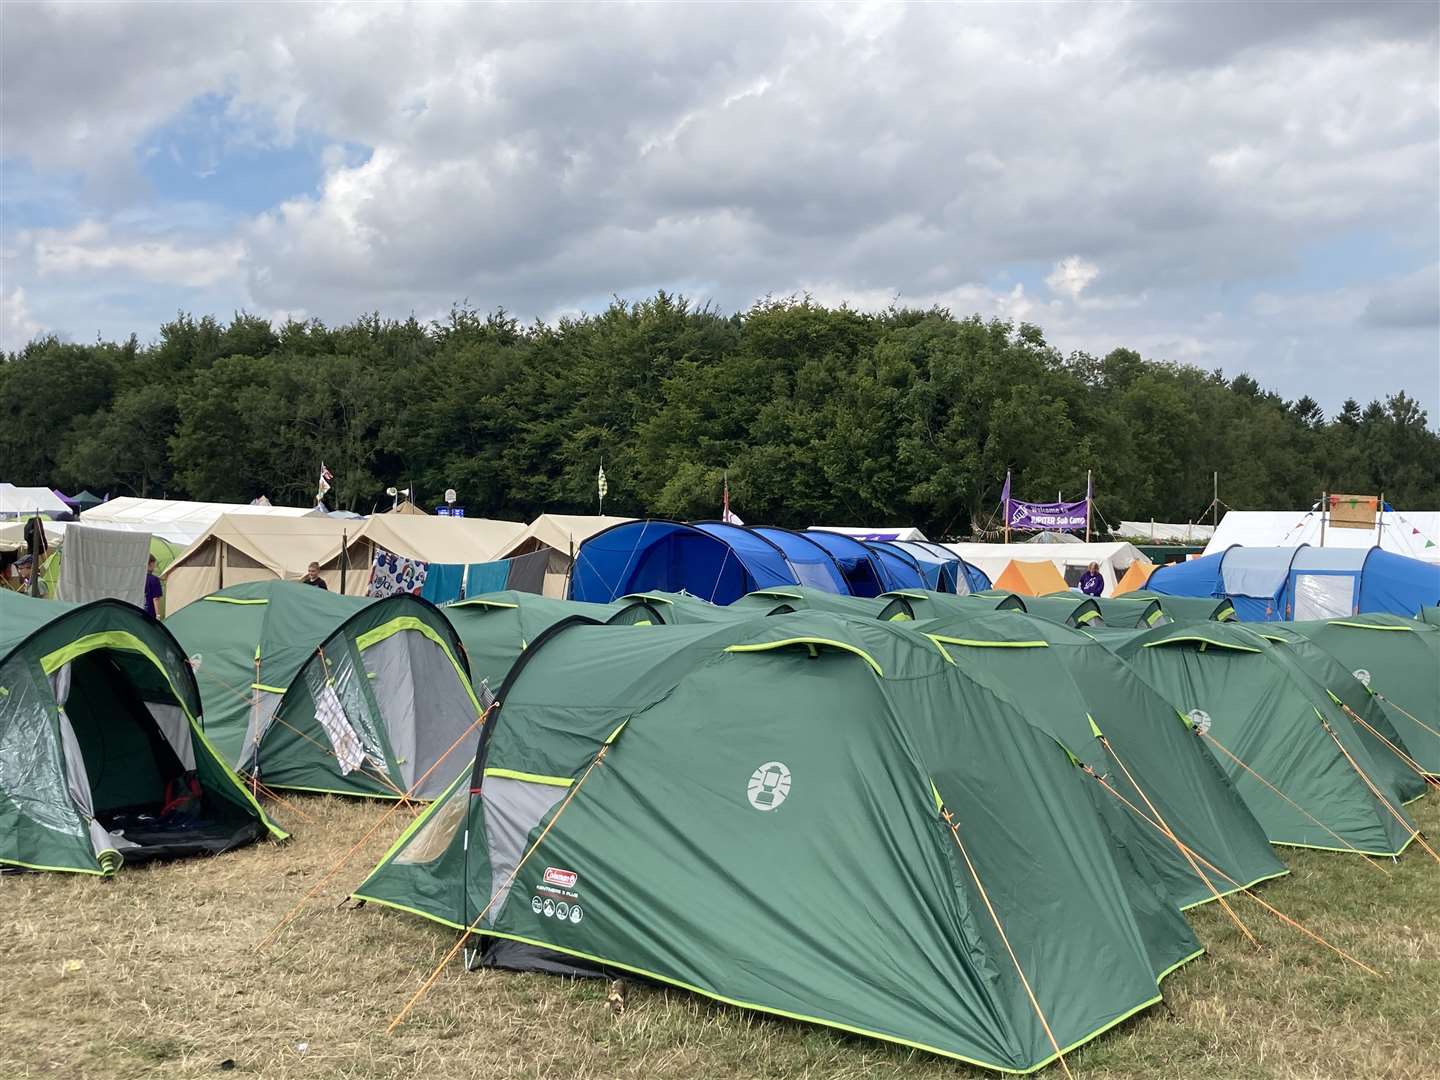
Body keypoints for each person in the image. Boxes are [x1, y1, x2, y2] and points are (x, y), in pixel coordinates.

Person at [143, 554, 164, 618]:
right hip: (150, 613)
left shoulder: (139, 578)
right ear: (150, 564)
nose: (155, 566)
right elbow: (156, 599)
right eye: (155, 563)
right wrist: (158, 616)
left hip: (138, 611)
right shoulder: (154, 579)